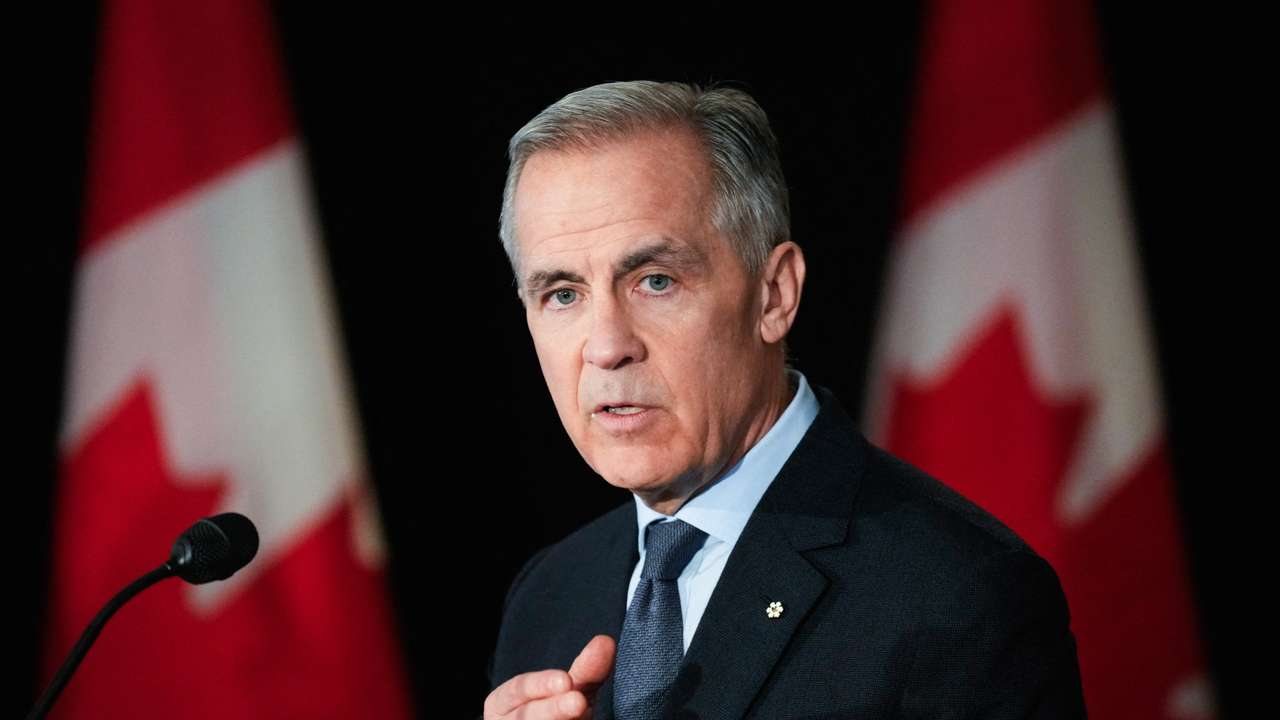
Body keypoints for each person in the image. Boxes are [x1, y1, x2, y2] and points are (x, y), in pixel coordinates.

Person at [484, 80, 1086, 720]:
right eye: (563, 295)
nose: (606, 347)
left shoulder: (959, 596)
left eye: (655, 281)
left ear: (774, 295)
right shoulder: (548, 596)